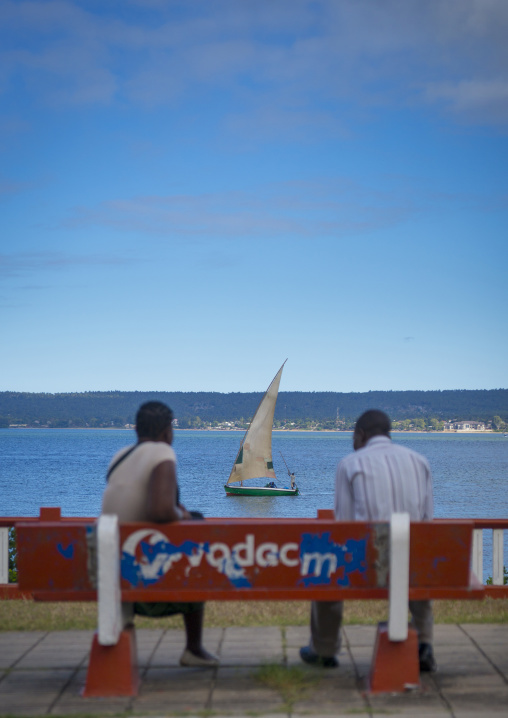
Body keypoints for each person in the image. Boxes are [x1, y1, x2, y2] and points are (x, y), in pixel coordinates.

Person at [299, 409, 436, 672]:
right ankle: (425, 643)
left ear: (360, 434)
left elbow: (345, 528)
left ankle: (323, 649)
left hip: (367, 569)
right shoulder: (420, 461)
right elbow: (426, 521)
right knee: (415, 555)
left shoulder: (350, 464)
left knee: (327, 569)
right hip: (415, 566)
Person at [102, 400, 218, 667]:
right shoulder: (162, 453)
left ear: (137, 430)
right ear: (167, 431)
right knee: (195, 541)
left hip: (107, 569)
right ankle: (194, 648)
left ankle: (195, 648)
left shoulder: (120, 456)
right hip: (139, 575)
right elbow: (161, 511)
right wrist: (183, 514)